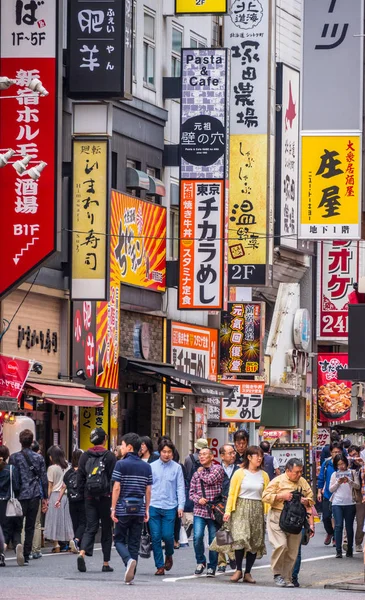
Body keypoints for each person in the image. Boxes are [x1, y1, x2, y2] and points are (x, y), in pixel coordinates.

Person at [217, 446, 269, 584]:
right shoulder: (239, 473)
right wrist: (228, 511)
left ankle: (248, 573)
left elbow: (267, 495)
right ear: (249, 457)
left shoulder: (264, 475)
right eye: (256, 455)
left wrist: (268, 513)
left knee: (254, 541)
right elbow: (232, 493)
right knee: (240, 538)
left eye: (261, 456)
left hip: (257, 509)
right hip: (240, 508)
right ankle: (238, 569)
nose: (259, 458)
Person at [262, 458, 314, 587]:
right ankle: (277, 574)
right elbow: (265, 496)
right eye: (296, 472)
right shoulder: (278, 480)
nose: (299, 474)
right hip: (278, 516)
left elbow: (311, 498)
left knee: (292, 551)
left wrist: (306, 501)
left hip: (296, 519)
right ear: (288, 471)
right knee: (281, 545)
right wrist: (281, 496)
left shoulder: (302, 482)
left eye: (301, 472)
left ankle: (287, 578)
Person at [111, 432, 152, 585]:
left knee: (119, 540)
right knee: (134, 541)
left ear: (129, 447)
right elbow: (148, 490)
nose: (121, 448)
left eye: (122, 445)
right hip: (139, 508)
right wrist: (147, 509)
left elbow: (116, 487)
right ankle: (131, 574)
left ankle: (128, 561)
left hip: (123, 508)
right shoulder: (146, 466)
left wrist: (112, 508)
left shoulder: (121, 464)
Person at [77, 427, 116, 573]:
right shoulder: (110, 456)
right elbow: (114, 478)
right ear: (104, 440)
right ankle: (105, 563)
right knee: (107, 529)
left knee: (90, 527)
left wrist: (83, 494)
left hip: (89, 496)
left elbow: (80, 478)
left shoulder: (84, 456)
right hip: (106, 497)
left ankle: (82, 553)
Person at [9, 429, 48, 566]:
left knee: (17, 525)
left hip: (19, 496)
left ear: (20, 441)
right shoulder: (39, 458)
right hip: (34, 495)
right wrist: (45, 498)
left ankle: (18, 545)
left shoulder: (14, 458)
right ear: (32, 442)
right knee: (30, 527)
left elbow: (11, 476)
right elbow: (44, 478)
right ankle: (26, 554)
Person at [149, 439, 185, 575]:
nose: (166, 454)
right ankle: (159, 566)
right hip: (153, 505)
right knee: (156, 536)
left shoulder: (177, 468)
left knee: (168, 536)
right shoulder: (151, 467)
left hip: (170, 506)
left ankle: (169, 554)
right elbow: (147, 487)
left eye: (169, 452)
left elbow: (180, 487)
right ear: (159, 452)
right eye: (164, 452)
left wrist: (180, 506)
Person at [189, 447, 224, 577]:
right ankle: (200, 561)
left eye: (204, 454)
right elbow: (191, 493)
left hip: (214, 510)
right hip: (199, 509)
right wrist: (198, 499)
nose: (201, 457)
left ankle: (212, 565)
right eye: (200, 455)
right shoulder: (195, 474)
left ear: (211, 457)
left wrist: (200, 472)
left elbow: (210, 480)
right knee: (197, 537)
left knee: (213, 540)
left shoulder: (218, 469)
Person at [44, 445, 74, 553]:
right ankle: (71, 541)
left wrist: (47, 499)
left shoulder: (52, 468)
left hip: (55, 495)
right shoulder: (68, 466)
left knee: (54, 520)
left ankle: (56, 544)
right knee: (66, 519)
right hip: (66, 496)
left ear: (53, 456)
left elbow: (50, 486)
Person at [329, 453, 360, 558]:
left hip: (350, 503)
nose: (341, 466)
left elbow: (358, 486)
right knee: (338, 526)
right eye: (338, 464)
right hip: (337, 503)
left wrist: (349, 481)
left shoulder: (352, 472)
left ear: (346, 463)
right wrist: (338, 482)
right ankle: (338, 550)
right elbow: (331, 489)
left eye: (343, 464)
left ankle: (350, 549)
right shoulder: (334, 475)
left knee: (349, 526)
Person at [56, 449, 86, 553]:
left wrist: (58, 500)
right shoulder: (84, 471)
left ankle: (77, 544)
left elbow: (63, 487)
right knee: (83, 522)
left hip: (71, 499)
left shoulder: (69, 472)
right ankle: (76, 540)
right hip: (82, 499)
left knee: (75, 522)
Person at [217, 444, 238, 573]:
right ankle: (222, 561)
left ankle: (232, 555)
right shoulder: (217, 469)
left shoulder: (239, 469)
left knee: (234, 531)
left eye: (233, 453)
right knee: (222, 531)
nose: (232, 455)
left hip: (235, 503)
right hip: (221, 503)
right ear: (222, 456)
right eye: (229, 453)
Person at [317, 441, 342, 546]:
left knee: (337, 518)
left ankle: (336, 538)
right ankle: (330, 533)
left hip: (340, 495)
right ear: (330, 452)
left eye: (338, 452)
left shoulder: (344, 463)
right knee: (326, 517)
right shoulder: (326, 463)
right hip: (327, 494)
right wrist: (319, 491)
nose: (336, 454)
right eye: (334, 452)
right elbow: (321, 477)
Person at [0, 445, 21, 566]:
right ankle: (17, 544)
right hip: (9, 502)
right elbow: (17, 486)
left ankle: (2, 553)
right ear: (7, 455)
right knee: (9, 529)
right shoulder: (11, 469)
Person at [183, 438, 208, 538]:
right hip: (203, 487)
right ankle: (198, 521)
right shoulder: (207, 459)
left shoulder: (188, 458)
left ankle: (190, 521)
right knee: (200, 507)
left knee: (189, 506)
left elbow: (186, 472)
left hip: (190, 485)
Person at [348, 445, 365, 552]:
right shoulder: (351, 468)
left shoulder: (363, 464)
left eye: (355, 455)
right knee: (360, 521)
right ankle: (358, 542)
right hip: (359, 497)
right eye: (351, 456)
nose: (354, 458)